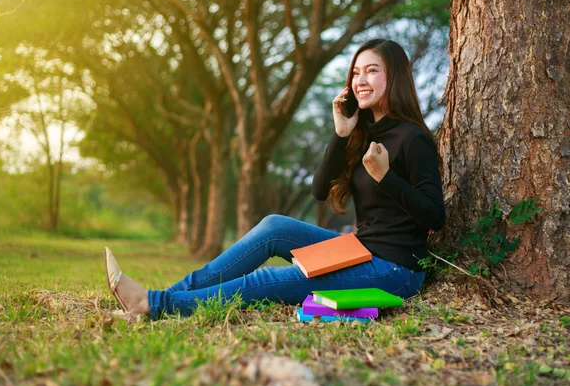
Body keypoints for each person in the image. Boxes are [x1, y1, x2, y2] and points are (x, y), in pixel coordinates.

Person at [104, 38, 446, 320]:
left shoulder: (413, 138)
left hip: (396, 272)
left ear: (395, 77)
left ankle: (154, 305)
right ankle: (164, 296)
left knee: (275, 279)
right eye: (356, 72)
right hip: (358, 251)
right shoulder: (362, 131)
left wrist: (386, 178)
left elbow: (435, 216)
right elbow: (318, 191)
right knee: (274, 226)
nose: (360, 80)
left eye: (372, 71)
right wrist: (341, 135)